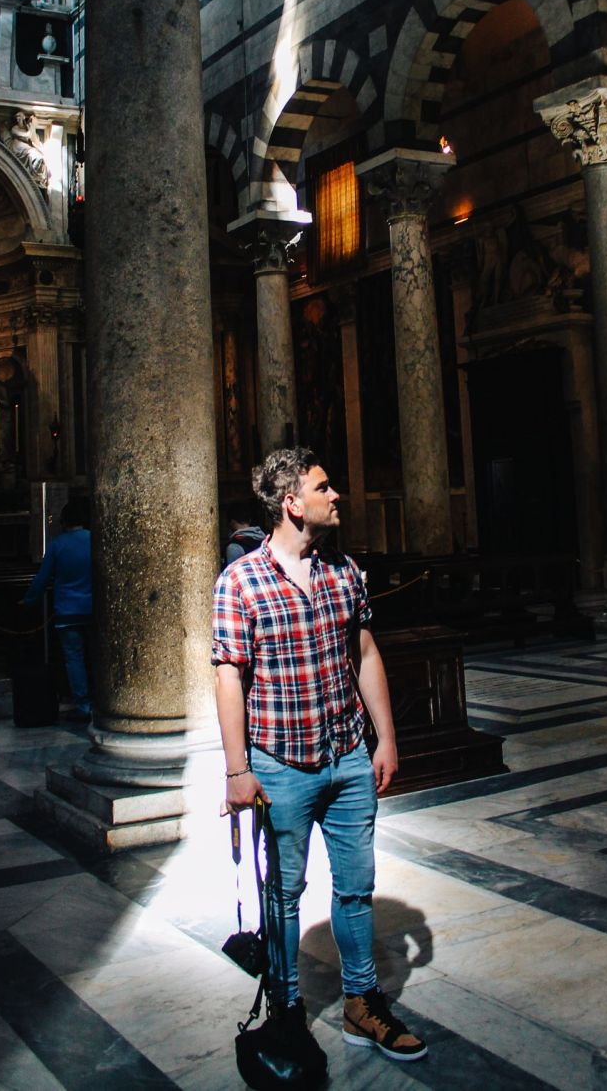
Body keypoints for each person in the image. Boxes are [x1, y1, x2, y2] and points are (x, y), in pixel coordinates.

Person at [211, 447, 427, 1066]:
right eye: (324, 487)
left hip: (347, 756)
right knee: (283, 895)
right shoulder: (241, 581)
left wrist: (386, 738)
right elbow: (229, 676)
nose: (337, 496)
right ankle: (286, 1011)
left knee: (356, 887)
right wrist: (237, 770)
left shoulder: (344, 571)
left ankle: (363, 1002)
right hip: (281, 764)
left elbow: (365, 654)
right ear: (292, 503)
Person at [22, 499, 92, 719]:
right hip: (93, 609)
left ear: (63, 522)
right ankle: (102, 701)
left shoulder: (57, 545)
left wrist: (29, 600)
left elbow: (42, 578)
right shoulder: (94, 540)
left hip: (67, 610)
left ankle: (83, 704)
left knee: (74, 659)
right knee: (96, 656)